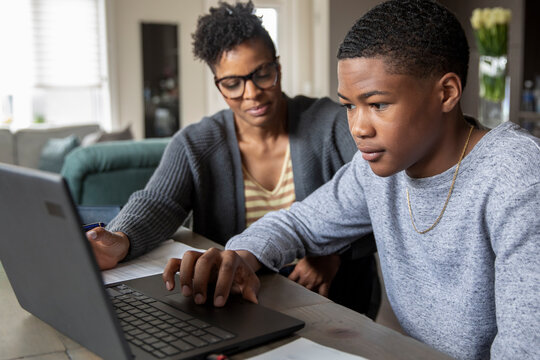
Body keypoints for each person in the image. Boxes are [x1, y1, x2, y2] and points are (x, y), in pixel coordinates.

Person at [162, 0, 540, 359]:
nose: (358, 128)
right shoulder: (378, 170)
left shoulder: (517, 175)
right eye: (349, 106)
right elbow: (297, 223)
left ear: (446, 93)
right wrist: (240, 257)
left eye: (377, 104)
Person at [86, 1, 379, 316]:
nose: (251, 93)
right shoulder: (196, 143)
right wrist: (122, 237)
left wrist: (334, 253)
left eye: (262, 73)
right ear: (218, 85)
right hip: (238, 306)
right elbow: (158, 202)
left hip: (337, 303)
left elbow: (381, 193)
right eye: (233, 83)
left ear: (277, 67)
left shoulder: (332, 123)